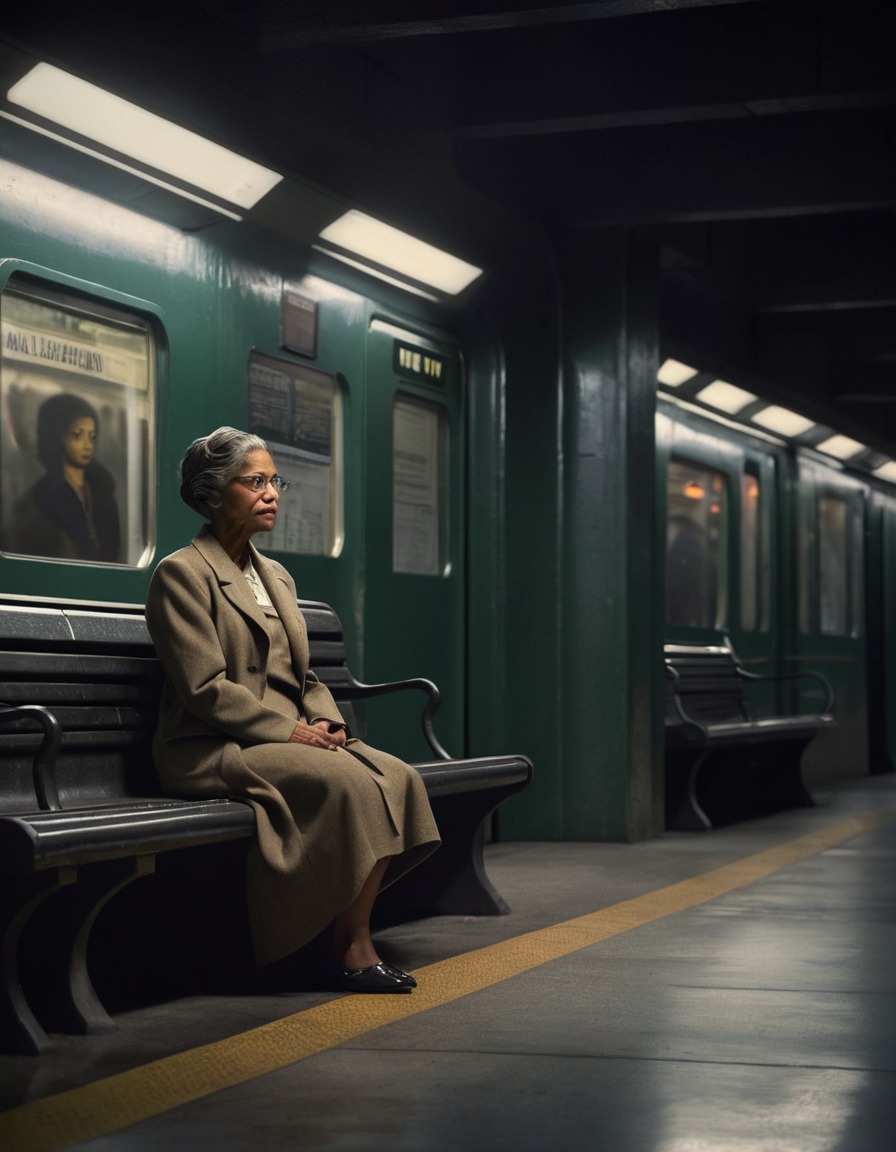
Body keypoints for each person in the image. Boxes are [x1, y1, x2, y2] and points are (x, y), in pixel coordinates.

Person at [145, 427, 440, 993]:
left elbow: (303, 677)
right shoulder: (182, 574)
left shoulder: (276, 576)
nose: (273, 492)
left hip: (287, 737)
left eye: (273, 480)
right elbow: (204, 687)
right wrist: (292, 732)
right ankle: (351, 949)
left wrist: (325, 720)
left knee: (399, 777)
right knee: (350, 784)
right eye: (254, 481)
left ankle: (342, 931)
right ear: (211, 494)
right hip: (214, 746)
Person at [6, 392, 121, 562]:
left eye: (92, 436)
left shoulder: (103, 492)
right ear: (57, 436)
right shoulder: (39, 499)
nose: (87, 445)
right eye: (77, 435)